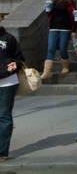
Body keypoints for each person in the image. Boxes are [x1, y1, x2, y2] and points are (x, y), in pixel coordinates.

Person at [0, 13, 24, 162]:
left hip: (8, 82)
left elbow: (20, 57)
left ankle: (1, 152)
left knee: (4, 117)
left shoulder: (8, 38)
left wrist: (16, 64)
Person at [41, 0, 77, 80]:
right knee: (50, 48)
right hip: (53, 27)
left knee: (62, 48)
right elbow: (49, 15)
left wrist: (74, 29)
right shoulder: (52, 1)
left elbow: (73, 16)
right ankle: (47, 71)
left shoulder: (69, 1)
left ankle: (65, 66)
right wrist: (47, 9)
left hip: (65, 28)